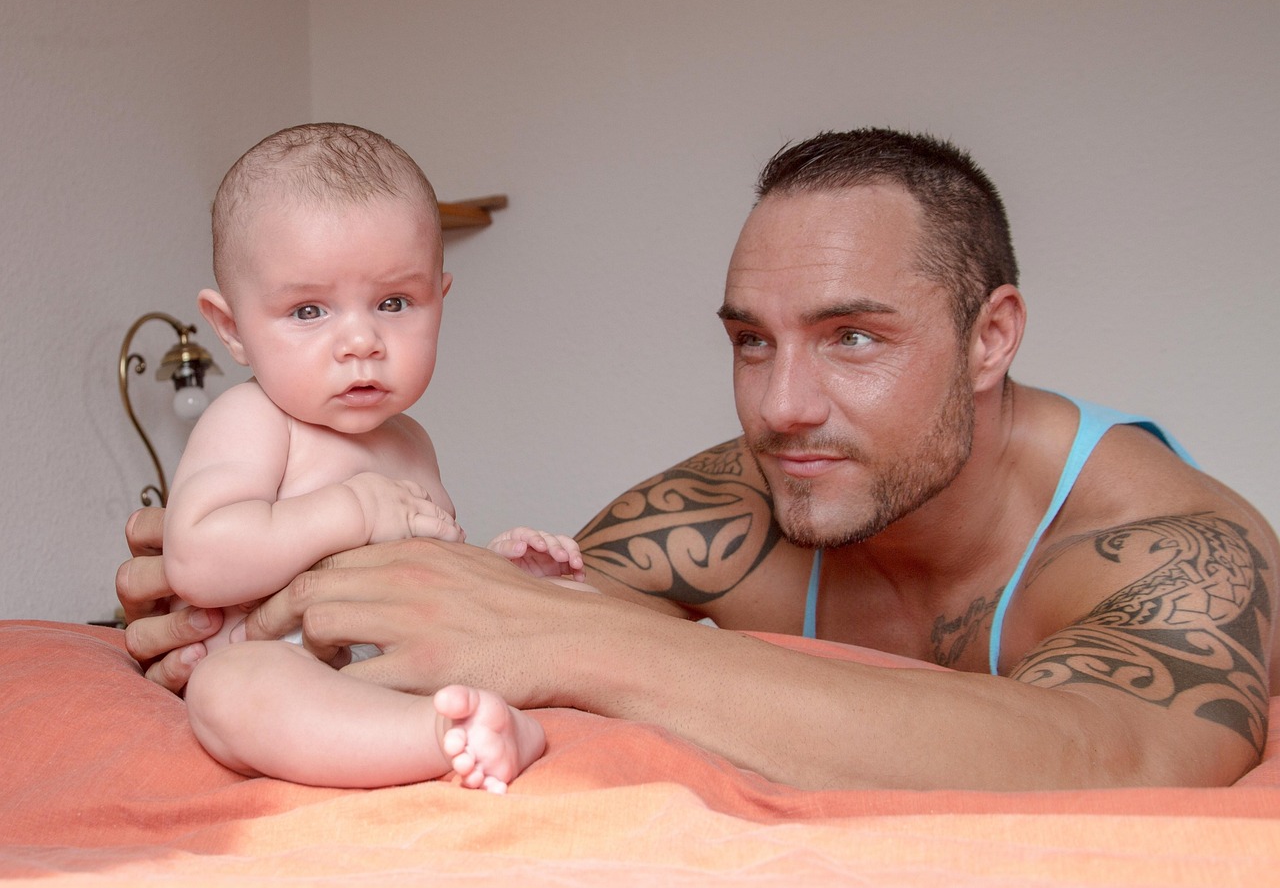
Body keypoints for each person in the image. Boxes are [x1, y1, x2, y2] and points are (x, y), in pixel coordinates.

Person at [120, 127, 1278, 792]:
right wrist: (232, 586)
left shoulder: (1170, 548)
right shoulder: (735, 507)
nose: (780, 408)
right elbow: (485, 616)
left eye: (853, 337)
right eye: (750, 343)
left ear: (990, 337)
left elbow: (1114, 754)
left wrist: (588, 643)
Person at [157, 122, 585, 794]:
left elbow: (428, 571)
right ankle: (439, 737)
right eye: (308, 311)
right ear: (232, 329)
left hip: (411, 656)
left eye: (393, 303)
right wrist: (353, 509)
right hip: (292, 663)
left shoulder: (410, 440)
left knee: (560, 618)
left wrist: (501, 572)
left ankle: (478, 718)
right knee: (225, 687)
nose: (361, 340)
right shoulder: (254, 419)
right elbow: (197, 560)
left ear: (439, 302)